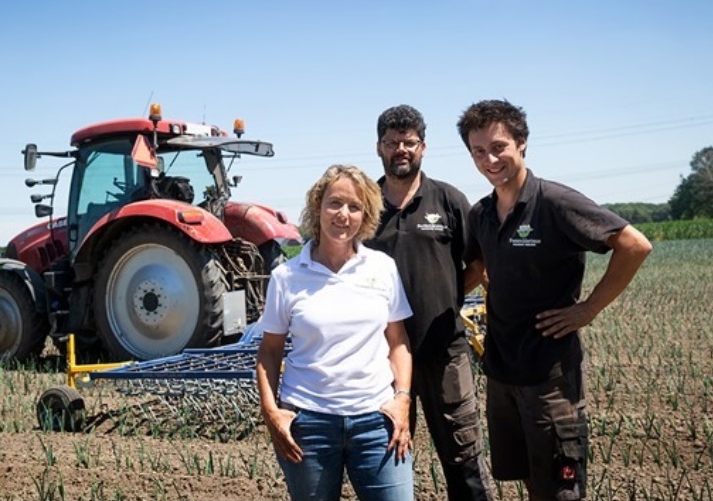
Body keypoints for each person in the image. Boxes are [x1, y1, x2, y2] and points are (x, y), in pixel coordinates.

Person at [456, 99, 653, 500]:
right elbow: (475, 269)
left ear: (522, 143)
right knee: (529, 477)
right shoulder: (482, 214)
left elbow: (635, 245)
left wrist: (588, 309)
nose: (489, 159)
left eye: (498, 147)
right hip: (502, 372)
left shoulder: (555, 202)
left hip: (551, 377)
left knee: (561, 491)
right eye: (478, 151)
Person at [255, 164, 415, 501]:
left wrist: (401, 400)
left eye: (355, 207)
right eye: (335, 203)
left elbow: (398, 343)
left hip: (375, 421)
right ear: (317, 207)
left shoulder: (382, 268)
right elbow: (269, 352)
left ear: (366, 215)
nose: (343, 215)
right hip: (309, 425)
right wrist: (272, 413)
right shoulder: (287, 276)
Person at [365, 104, 495, 500]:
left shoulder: (449, 200)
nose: (401, 150)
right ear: (379, 147)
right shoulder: (365, 205)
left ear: (423, 146)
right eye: (392, 143)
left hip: (444, 349)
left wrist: (451, 292)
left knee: (463, 453)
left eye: (409, 142)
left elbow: (480, 260)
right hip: (380, 355)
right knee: (389, 451)